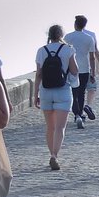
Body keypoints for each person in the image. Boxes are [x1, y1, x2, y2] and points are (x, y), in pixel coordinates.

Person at [34, 24, 79, 170]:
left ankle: (51, 153)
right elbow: (74, 70)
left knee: (50, 127)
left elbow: (38, 74)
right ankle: (54, 155)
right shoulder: (68, 49)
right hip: (63, 90)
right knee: (60, 128)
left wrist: (35, 94)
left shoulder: (42, 50)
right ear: (61, 35)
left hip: (46, 91)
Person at [64, 15, 99, 129]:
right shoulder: (89, 38)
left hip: (71, 68)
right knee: (81, 92)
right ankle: (80, 114)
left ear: (75, 24)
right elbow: (92, 57)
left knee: (74, 92)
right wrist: (93, 73)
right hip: (84, 68)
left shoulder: (68, 37)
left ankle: (77, 114)